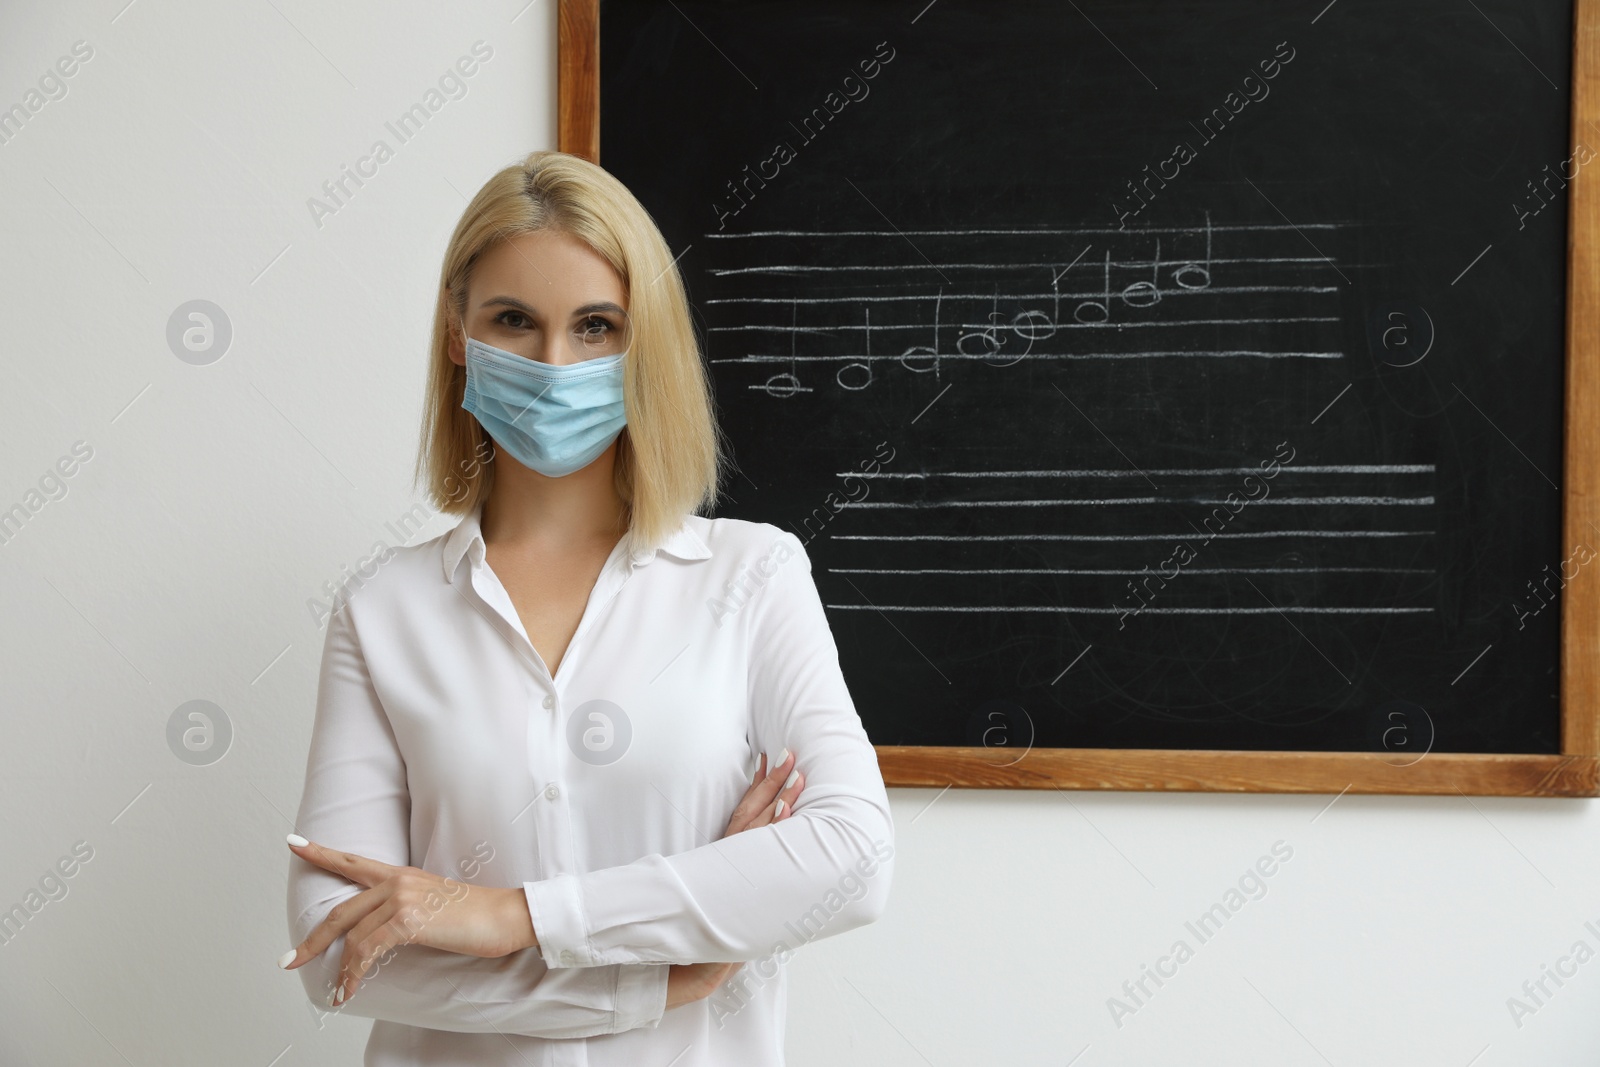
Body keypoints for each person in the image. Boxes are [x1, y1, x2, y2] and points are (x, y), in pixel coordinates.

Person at [278, 149, 895, 1066]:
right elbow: (337, 951)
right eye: (515, 321)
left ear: (643, 342)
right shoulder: (382, 610)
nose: (554, 363)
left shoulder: (753, 575)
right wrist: (661, 975)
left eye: (596, 325)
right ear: (458, 334)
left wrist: (502, 915)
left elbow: (849, 857)